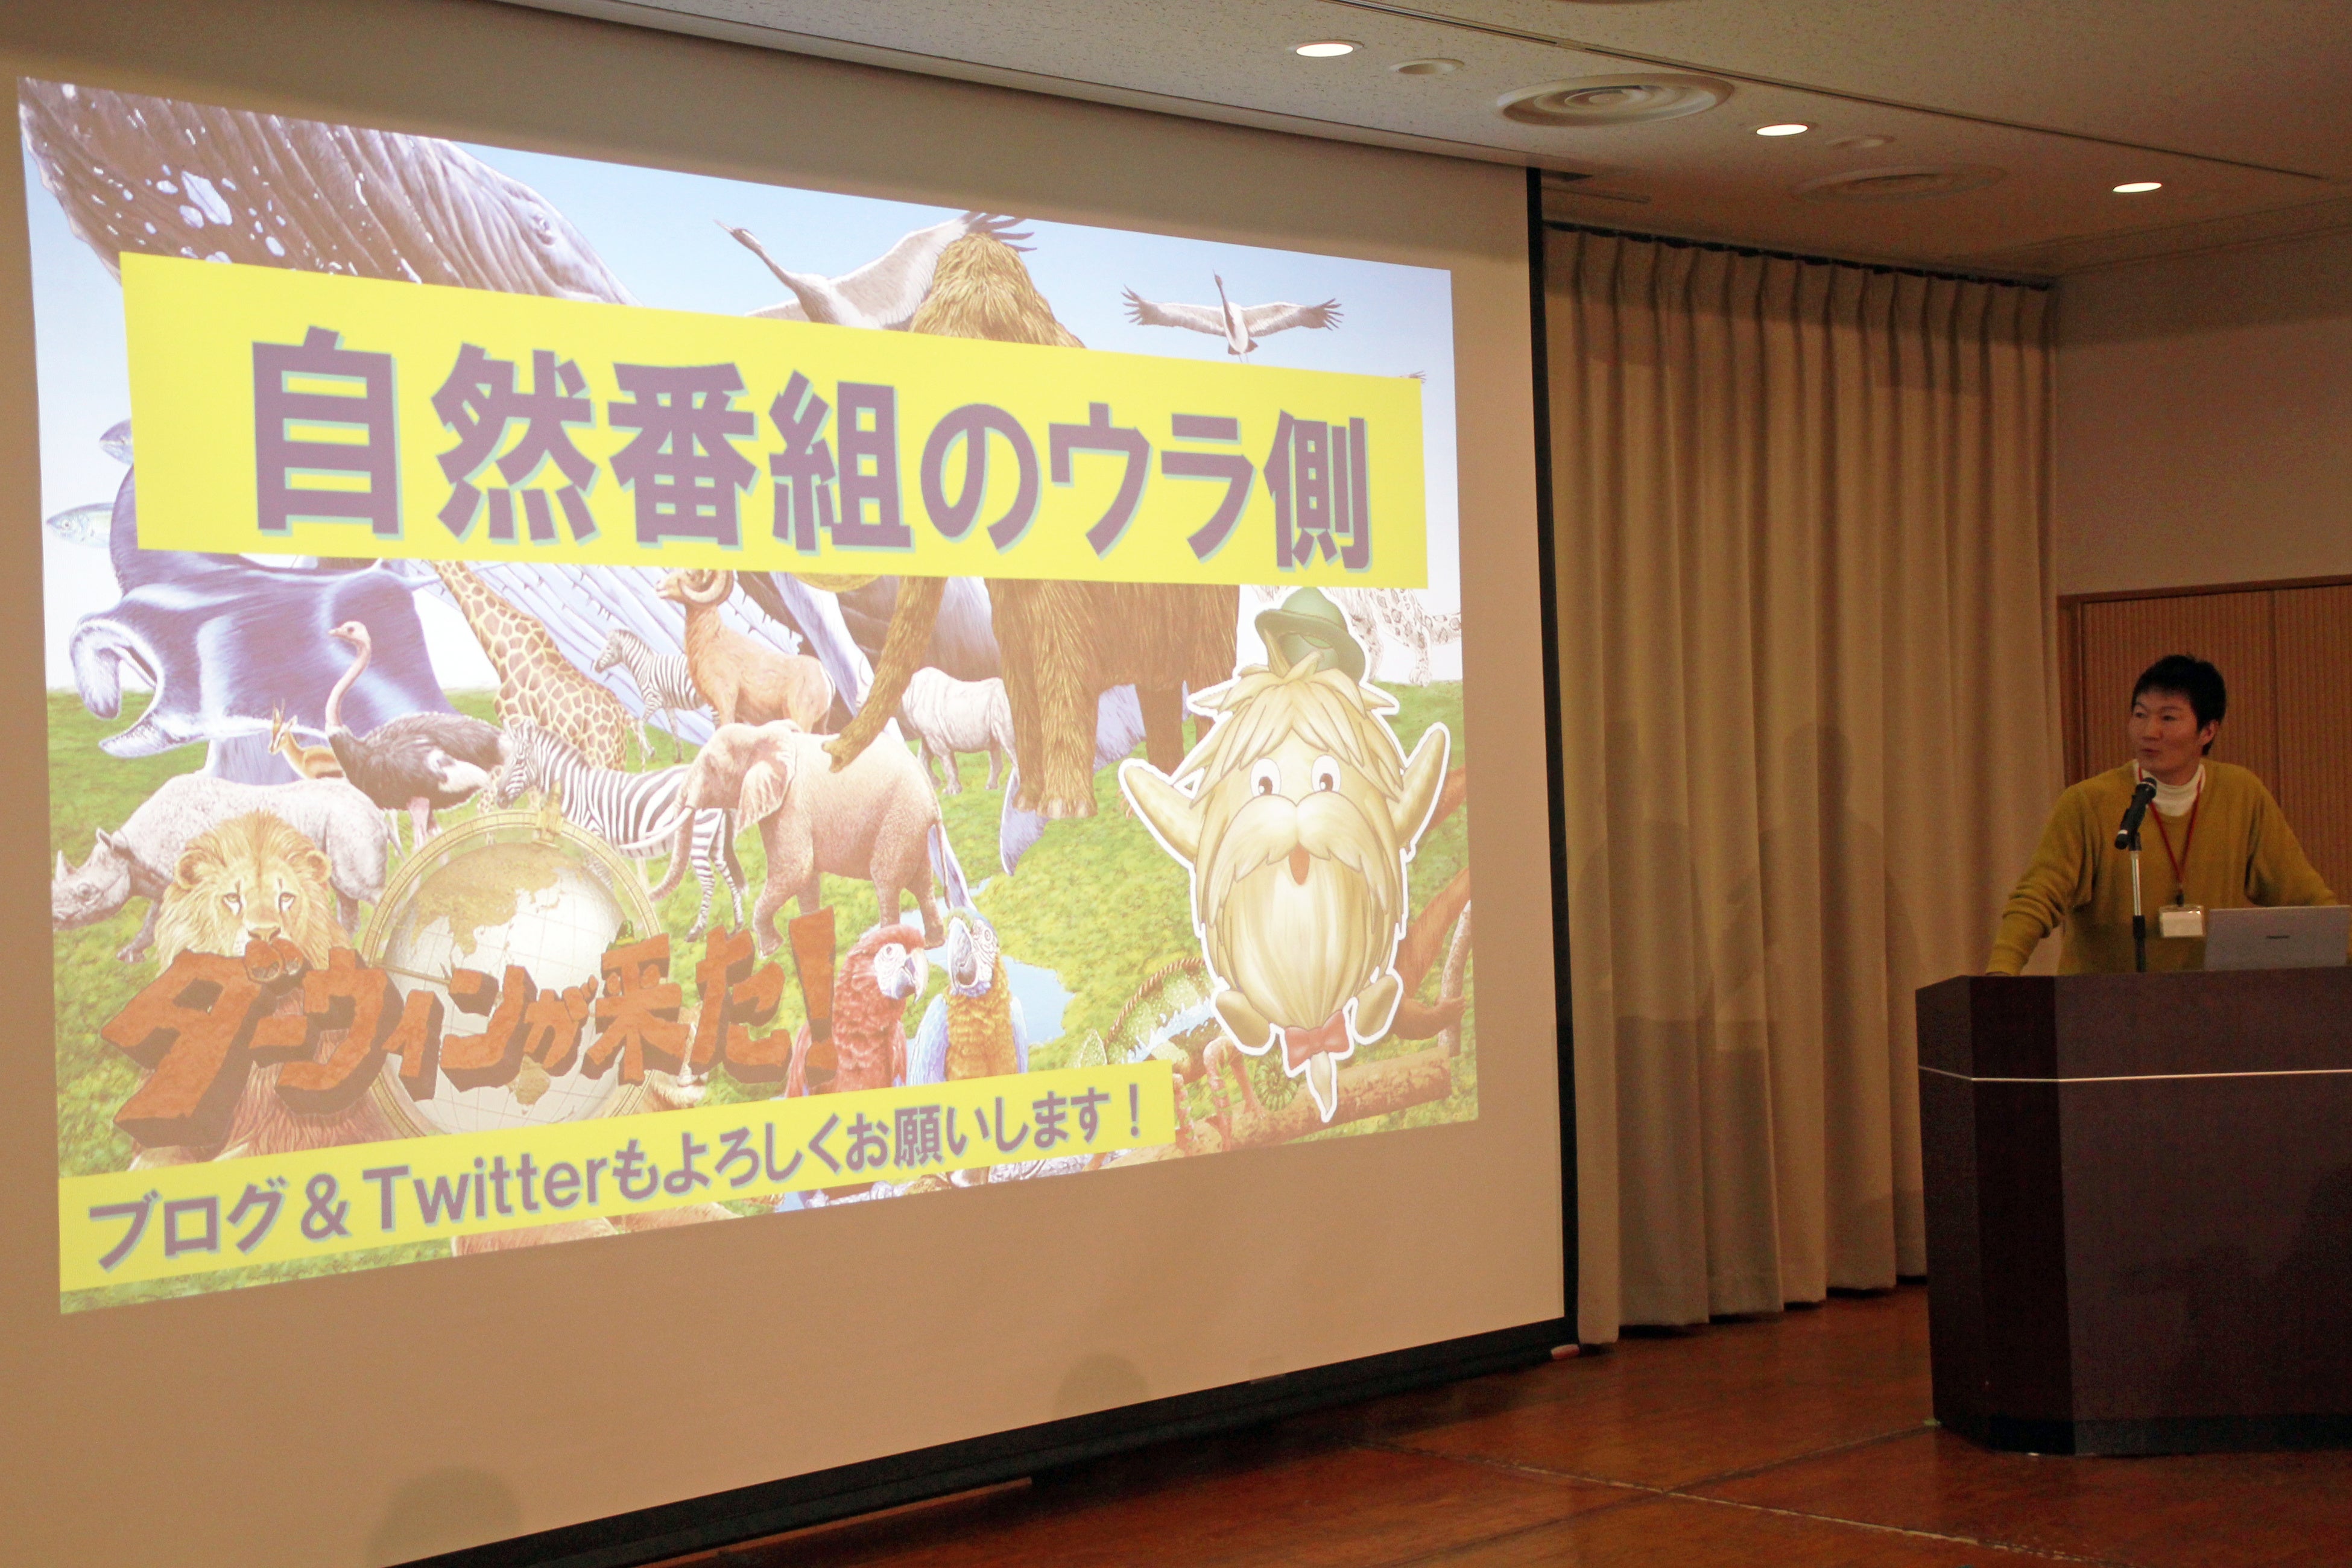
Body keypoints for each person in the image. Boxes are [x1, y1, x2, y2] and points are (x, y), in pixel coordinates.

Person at [1987, 654, 2336, 974]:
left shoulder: (2241, 794)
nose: (2148, 732)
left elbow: (2306, 899)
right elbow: (2037, 896)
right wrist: (2001, 973)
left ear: (2208, 731)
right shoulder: (2088, 802)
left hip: (2210, 1003)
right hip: (2103, 1004)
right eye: (2140, 715)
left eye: (2168, 718)